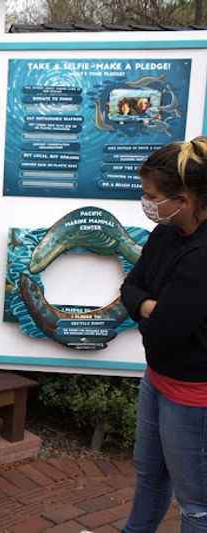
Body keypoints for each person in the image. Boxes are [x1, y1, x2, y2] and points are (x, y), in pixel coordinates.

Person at [120, 137, 207, 533]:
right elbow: (130, 287)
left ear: (185, 200)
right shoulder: (165, 234)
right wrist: (149, 305)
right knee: (150, 475)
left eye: (150, 195)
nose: (146, 202)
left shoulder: (201, 255)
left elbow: (164, 333)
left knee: (196, 503)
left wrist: (151, 308)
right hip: (157, 380)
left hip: (193, 397)